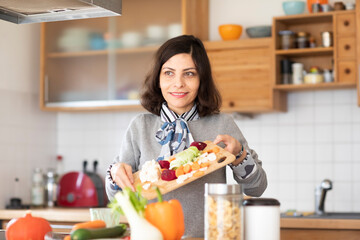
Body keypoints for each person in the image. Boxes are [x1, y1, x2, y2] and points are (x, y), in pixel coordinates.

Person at [105, 35, 267, 237]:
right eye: (169, 73)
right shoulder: (140, 126)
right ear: (158, 79)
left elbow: (257, 188)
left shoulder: (222, 124)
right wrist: (115, 174)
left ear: (202, 80)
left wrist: (240, 155)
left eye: (189, 74)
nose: (178, 83)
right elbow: (115, 197)